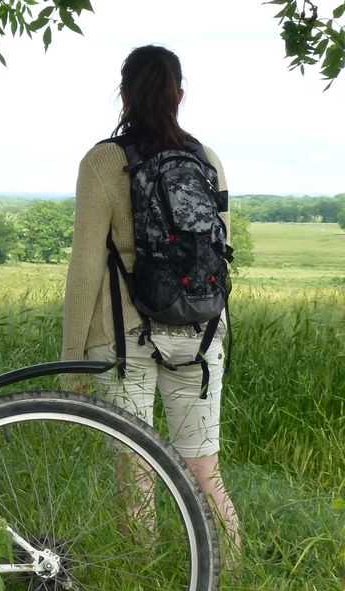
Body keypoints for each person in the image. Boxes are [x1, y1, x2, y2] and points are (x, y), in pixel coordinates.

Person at [61, 45, 242, 564]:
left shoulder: (103, 162)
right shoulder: (208, 161)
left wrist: (74, 350)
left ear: (122, 93)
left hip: (123, 337)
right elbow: (219, 252)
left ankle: (142, 584)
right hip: (201, 333)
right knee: (205, 470)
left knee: (137, 471)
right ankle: (232, 575)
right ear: (179, 95)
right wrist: (217, 326)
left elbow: (86, 266)